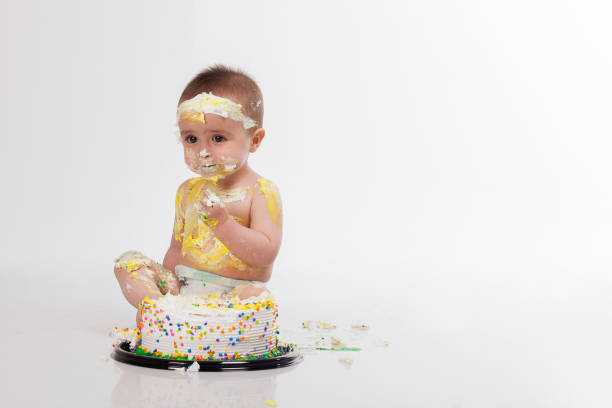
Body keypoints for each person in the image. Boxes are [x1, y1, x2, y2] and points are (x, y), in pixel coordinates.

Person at [113, 64, 283, 325]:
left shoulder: (260, 192)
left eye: (217, 138)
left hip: (233, 293)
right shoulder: (188, 191)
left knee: (259, 297)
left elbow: (267, 252)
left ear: (255, 140)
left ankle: (200, 319)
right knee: (128, 264)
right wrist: (167, 284)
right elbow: (176, 248)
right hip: (184, 289)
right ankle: (161, 308)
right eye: (191, 139)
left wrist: (224, 224)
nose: (203, 151)